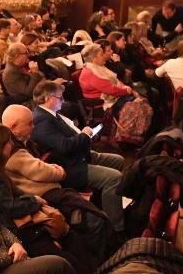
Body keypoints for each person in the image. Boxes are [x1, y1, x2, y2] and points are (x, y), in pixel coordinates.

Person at [0, 123, 89, 274]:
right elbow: (10, 208)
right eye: (8, 142)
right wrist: (35, 201)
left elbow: (13, 196)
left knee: (70, 235)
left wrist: (33, 199)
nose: (12, 145)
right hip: (13, 229)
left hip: (15, 222)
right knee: (66, 250)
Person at [30, 81, 125, 234]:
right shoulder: (41, 120)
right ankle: (115, 228)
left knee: (117, 160)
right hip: (69, 166)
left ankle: (102, 205)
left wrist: (84, 136)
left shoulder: (51, 115)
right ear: (48, 98)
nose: (63, 101)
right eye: (60, 98)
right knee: (114, 178)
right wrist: (85, 135)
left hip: (78, 155)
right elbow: (64, 146)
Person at [79, 43, 136, 114]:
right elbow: (111, 89)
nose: (104, 56)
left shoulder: (98, 67)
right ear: (93, 58)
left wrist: (125, 87)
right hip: (102, 105)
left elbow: (115, 81)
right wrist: (126, 90)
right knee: (138, 106)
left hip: (112, 97)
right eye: (101, 54)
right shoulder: (91, 72)